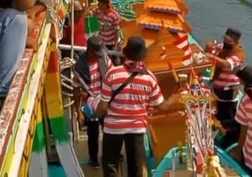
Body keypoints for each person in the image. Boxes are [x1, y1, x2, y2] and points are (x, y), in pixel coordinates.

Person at [95, 36, 180, 177]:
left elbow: (103, 106)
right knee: (136, 167)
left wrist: (95, 115)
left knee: (110, 164)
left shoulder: (112, 74)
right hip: (136, 128)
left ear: (126, 54)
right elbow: (163, 106)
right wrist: (174, 98)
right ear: (142, 57)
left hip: (113, 127)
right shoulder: (149, 78)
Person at [73, 36, 118, 169]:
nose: (99, 57)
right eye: (97, 54)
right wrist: (79, 112)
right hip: (91, 105)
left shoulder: (104, 59)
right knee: (92, 134)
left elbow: (113, 76)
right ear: (90, 51)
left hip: (105, 101)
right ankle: (94, 159)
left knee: (110, 131)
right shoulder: (79, 67)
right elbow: (76, 89)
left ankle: (112, 155)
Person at [204, 28, 245, 149]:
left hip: (229, 91)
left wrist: (212, 57)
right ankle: (214, 134)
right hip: (217, 87)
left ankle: (228, 141)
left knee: (227, 119)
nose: (226, 42)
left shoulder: (238, 54)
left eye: (229, 41)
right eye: (225, 39)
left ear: (236, 42)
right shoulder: (222, 48)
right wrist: (208, 49)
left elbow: (227, 64)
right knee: (216, 114)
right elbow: (210, 53)